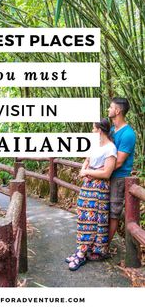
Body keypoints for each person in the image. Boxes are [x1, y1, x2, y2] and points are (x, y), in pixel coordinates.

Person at [65, 118, 117, 271]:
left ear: (100, 130)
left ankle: (83, 253)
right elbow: (87, 160)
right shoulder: (94, 145)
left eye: (93, 129)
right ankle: (82, 248)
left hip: (99, 187)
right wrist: (84, 169)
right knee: (83, 215)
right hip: (87, 185)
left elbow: (106, 173)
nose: (92, 132)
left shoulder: (110, 148)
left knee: (93, 218)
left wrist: (87, 172)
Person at [107, 97, 136, 245]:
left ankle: (105, 248)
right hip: (107, 175)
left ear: (117, 111)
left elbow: (118, 162)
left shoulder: (128, 134)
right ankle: (99, 244)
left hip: (118, 178)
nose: (108, 110)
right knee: (104, 210)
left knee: (113, 213)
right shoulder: (112, 130)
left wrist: (99, 171)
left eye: (110, 107)